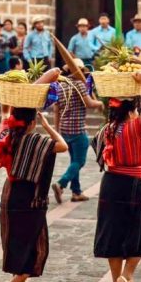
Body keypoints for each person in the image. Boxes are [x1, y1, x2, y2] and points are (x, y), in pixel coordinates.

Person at [0, 98, 67, 282]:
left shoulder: (9, 138)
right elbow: (62, 145)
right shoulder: (36, 140)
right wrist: (48, 126)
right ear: (32, 122)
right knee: (37, 249)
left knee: (19, 246)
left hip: (11, 196)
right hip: (31, 199)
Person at [92, 70, 141, 282]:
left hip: (110, 183)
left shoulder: (106, 130)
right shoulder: (132, 128)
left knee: (113, 231)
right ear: (131, 111)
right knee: (140, 231)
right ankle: (126, 277)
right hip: (132, 183)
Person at [52, 62, 102, 202]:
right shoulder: (79, 85)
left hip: (65, 129)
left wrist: (57, 131)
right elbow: (90, 104)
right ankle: (61, 183)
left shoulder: (60, 86)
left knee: (74, 161)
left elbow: (56, 110)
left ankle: (76, 192)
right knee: (79, 161)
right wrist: (101, 103)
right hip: (77, 129)